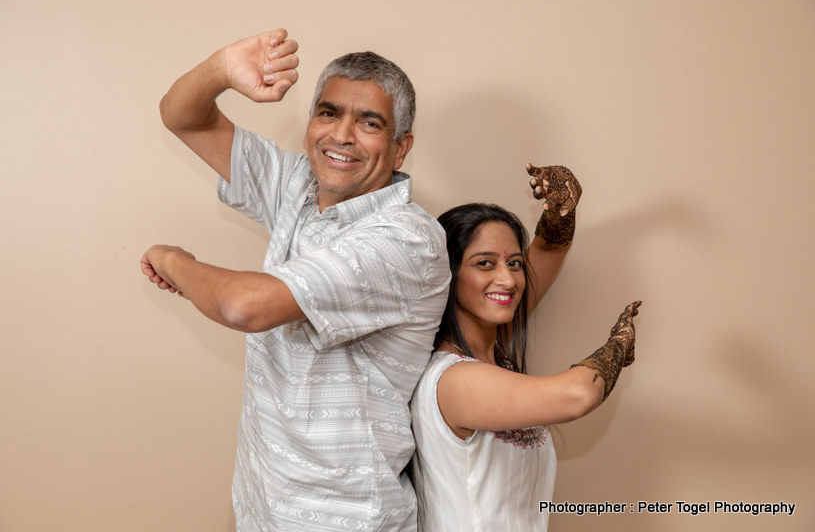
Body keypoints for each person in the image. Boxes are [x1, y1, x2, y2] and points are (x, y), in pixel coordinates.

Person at [140, 29, 450, 531]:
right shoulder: (296, 188)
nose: (342, 136)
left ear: (400, 149)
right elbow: (181, 116)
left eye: (369, 123)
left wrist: (174, 260)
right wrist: (221, 68)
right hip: (264, 506)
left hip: (347, 518)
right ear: (309, 126)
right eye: (329, 113)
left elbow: (245, 306)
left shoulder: (407, 240)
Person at [409, 163, 641, 531]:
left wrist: (563, 204)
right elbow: (578, 394)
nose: (507, 278)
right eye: (484, 263)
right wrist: (618, 346)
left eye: (514, 263)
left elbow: (551, 247)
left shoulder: (492, 352)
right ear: (447, 275)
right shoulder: (455, 379)